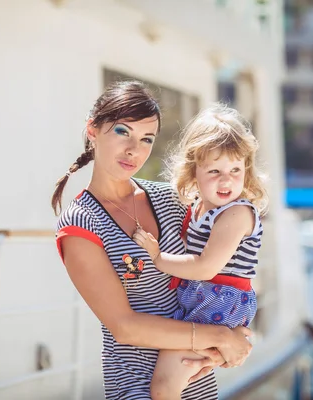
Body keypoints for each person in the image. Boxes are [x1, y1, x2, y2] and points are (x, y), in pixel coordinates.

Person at [52, 82, 253, 400]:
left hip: (197, 385)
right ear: (93, 130)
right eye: (122, 132)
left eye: (146, 139)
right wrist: (218, 336)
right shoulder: (80, 224)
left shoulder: (170, 199)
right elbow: (124, 326)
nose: (135, 150)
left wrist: (234, 336)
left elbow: (223, 270)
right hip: (138, 387)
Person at [133, 103, 268, 399]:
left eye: (236, 169)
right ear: (194, 171)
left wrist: (157, 258)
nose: (226, 180)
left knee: (165, 385)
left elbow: (207, 267)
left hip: (219, 301)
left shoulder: (236, 214)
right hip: (204, 299)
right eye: (214, 170)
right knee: (177, 377)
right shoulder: (200, 206)